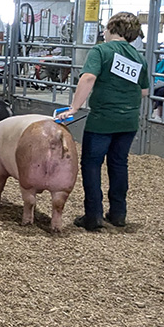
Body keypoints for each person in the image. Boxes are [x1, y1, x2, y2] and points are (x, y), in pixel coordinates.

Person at [57, 12, 150, 232]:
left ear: (111, 29)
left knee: (92, 164)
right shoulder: (139, 57)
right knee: (119, 163)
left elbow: (88, 77)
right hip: (128, 119)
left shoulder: (101, 50)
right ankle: (118, 213)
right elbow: (144, 91)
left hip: (103, 119)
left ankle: (94, 215)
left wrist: (74, 108)